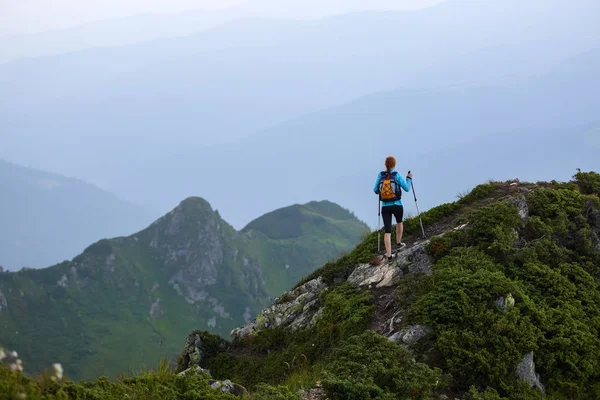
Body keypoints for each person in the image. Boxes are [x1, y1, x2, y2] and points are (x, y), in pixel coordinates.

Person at [373, 156, 412, 262]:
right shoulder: (397, 175)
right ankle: (399, 243)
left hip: (385, 206)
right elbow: (407, 189)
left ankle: (389, 256)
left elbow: (375, 190)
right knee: (399, 222)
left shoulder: (380, 175)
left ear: (385, 164)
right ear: (394, 164)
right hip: (397, 205)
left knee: (387, 231)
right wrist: (409, 178)